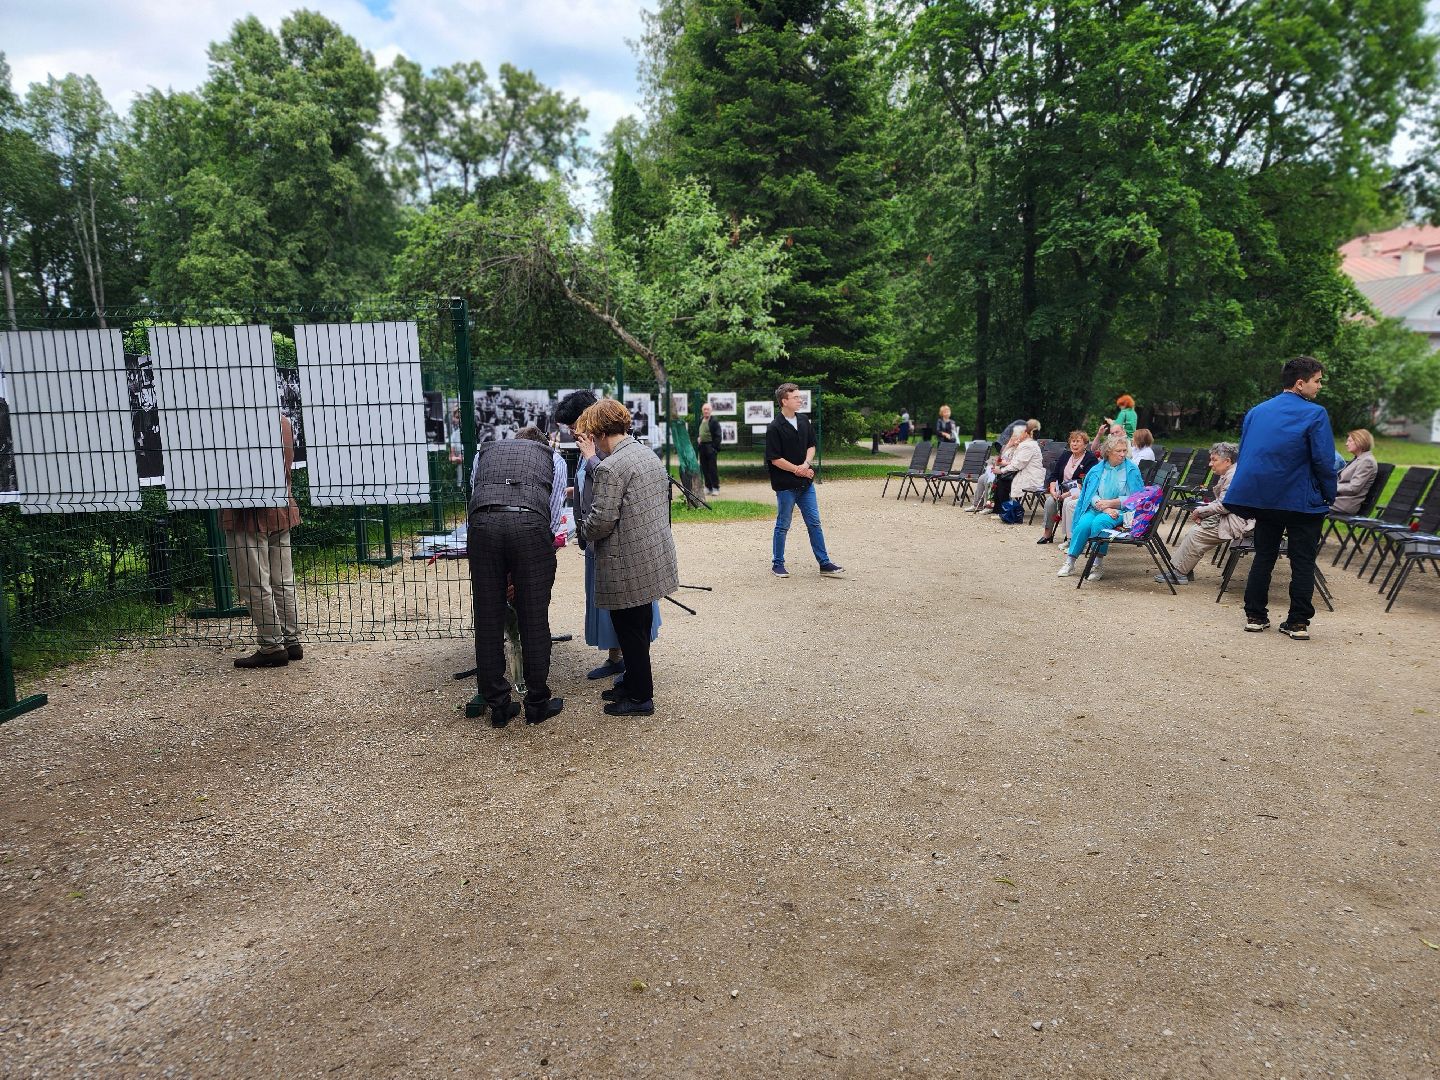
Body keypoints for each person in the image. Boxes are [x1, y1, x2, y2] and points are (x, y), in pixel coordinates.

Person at [576, 399, 679, 717]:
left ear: (597, 432)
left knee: (630, 630)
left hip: (627, 562)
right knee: (640, 623)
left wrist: (581, 528)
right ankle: (632, 682)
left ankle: (640, 697)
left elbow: (602, 520)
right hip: (652, 555)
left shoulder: (610, 467)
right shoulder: (646, 453)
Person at [1222, 356, 1338, 638]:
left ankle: (1255, 615)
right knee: (1303, 560)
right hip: (1301, 501)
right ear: (1300, 383)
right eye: (1317, 380)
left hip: (1265, 499)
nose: (1320, 386)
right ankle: (1298, 622)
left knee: (1264, 555)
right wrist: (1328, 494)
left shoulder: (1257, 412)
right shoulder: (1316, 414)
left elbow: (1249, 454)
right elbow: (1324, 461)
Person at [465, 426, 565, 728]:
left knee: (488, 618)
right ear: (541, 445)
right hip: (529, 523)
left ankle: (498, 705)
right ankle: (536, 703)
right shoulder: (553, 458)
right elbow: (554, 508)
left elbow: (475, 492)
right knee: (533, 618)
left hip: (483, 525)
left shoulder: (485, 452)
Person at [562, 393, 661, 684]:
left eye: (575, 424)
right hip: (621, 547)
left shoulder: (609, 457)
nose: (572, 431)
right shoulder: (634, 452)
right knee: (627, 618)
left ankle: (637, 686)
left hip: (619, 550)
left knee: (628, 618)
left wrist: (584, 531)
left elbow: (605, 508)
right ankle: (629, 675)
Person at [223, 413, 303, 668]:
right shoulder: (282, 421)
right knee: (283, 581)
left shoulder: (234, 421)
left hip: (244, 513)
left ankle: (271, 646)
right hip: (281, 507)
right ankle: (291, 641)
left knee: (255, 583)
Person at [765, 382, 844, 578]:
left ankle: (824, 563)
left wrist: (806, 464)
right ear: (784, 401)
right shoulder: (775, 427)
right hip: (785, 486)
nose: (800, 400)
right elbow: (775, 459)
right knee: (783, 524)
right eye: (796, 397)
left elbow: (811, 446)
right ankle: (778, 564)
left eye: (800, 397)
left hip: (805, 484)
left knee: (814, 523)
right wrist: (798, 470)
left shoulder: (804, 421)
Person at [1154, 442, 1252, 585]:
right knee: (1196, 531)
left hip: (1240, 522)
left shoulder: (1233, 476)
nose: (1210, 464)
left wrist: (1200, 511)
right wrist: (1203, 512)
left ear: (1227, 461)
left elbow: (1225, 505)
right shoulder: (1231, 472)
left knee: (1197, 534)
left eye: (1214, 459)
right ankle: (1184, 569)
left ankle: (1180, 573)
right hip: (1234, 516)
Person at [1056, 433, 1143, 580]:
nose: (1123, 454)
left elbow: (1136, 498)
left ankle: (1097, 564)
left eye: (1124, 451)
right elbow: (1090, 493)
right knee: (1083, 525)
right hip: (1098, 507)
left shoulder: (1131, 470)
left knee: (1100, 523)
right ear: (1108, 452)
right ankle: (1070, 562)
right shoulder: (1097, 470)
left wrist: (1111, 504)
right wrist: (1103, 506)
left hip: (1122, 511)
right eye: (1119, 451)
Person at [1037, 430, 1098, 544]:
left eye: (1078, 441)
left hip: (1079, 491)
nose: (1074, 444)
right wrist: (1052, 490)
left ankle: (1069, 535)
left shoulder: (1090, 459)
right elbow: (1054, 475)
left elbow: (1085, 481)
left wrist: (1066, 494)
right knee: (1050, 501)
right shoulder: (1065, 455)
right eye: (1072, 441)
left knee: (1067, 502)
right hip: (1061, 490)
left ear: (1085, 444)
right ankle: (1047, 533)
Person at [989, 422, 1044, 512]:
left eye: (1020, 432)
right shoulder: (1026, 444)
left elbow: (1017, 464)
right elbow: (1014, 462)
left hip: (1030, 477)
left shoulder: (1028, 446)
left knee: (1003, 481)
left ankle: (1005, 511)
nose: (1018, 435)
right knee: (1001, 479)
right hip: (1023, 473)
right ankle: (999, 510)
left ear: (1026, 434)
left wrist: (1001, 471)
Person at [1331, 429, 1378, 514]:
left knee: (1306, 502)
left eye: (1349, 441)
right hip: (1337, 500)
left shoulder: (1367, 462)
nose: (1346, 444)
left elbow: (1353, 488)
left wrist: (1330, 487)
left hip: (1344, 503)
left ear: (1360, 441)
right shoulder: (1359, 459)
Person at [696, 401, 723, 496]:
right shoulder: (700, 420)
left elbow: (718, 436)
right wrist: (698, 439)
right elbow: (698, 432)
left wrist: (714, 448)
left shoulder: (714, 421)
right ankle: (708, 487)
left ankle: (716, 487)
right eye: (704, 409)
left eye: (708, 409)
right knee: (704, 468)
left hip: (710, 447)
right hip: (702, 447)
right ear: (702, 411)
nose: (706, 411)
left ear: (711, 411)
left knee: (712, 468)